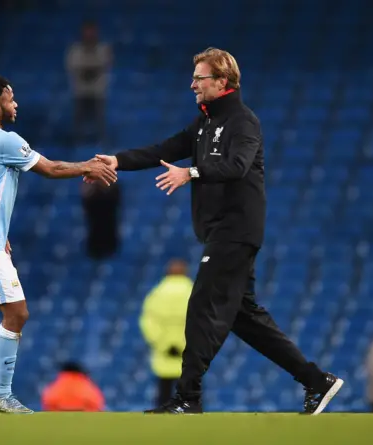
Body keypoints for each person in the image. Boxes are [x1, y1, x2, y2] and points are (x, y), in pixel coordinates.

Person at [91, 48, 343, 415]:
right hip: (220, 233)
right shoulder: (204, 123)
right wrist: (118, 161)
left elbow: (237, 165)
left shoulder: (243, 121)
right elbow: (165, 149)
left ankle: (187, 397)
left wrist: (190, 172)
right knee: (245, 318)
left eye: (200, 77)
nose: (192, 84)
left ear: (222, 81)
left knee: (201, 308)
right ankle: (317, 381)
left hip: (235, 230)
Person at [0, 76, 117, 414]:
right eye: (10, 98)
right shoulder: (6, 140)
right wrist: (89, 167)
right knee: (18, 312)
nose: (15, 103)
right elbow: (51, 169)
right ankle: (2, 396)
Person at [139, 259, 193, 406]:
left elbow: (148, 322)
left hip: (164, 353)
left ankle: (161, 423)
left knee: (164, 393)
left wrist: (164, 345)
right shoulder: (194, 292)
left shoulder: (157, 293)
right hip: (188, 352)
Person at [41, 362, 105, 412]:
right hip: (84, 423)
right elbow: (97, 404)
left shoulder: (54, 387)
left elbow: (48, 404)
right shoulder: (89, 387)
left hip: (58, 423)